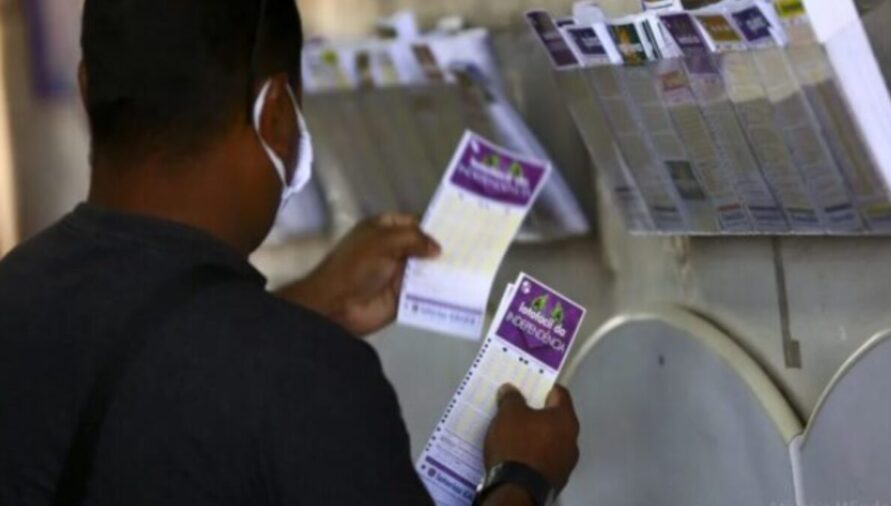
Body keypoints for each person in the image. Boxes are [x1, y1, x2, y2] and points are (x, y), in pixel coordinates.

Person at [0, 0, 580, 505]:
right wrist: (521, 475)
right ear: (275, 112)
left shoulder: (15, 294)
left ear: (85, 89)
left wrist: (305, 303)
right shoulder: (306, 381)